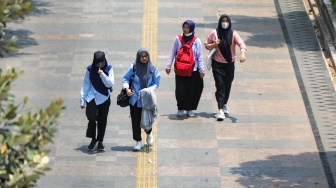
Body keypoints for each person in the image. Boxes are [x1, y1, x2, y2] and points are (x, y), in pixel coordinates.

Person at [205, 14, 247, 121]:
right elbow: (206, 45)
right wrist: (214, 44)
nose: (224, 23)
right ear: (219, 22)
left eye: (226, 21)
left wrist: (242, 54)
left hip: (229, 64)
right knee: (220, 86)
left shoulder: (233, 34)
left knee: (227, 86)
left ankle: (224, 104)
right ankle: (220, 110)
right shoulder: (214, 33)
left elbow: (242, 44)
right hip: (217, 64)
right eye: (223, 21)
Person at [122, 48, 161, 151]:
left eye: (146, 56)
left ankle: (149, 133)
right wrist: (127, 89)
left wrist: (148, 90)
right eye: (142, 56)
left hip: (147, 99)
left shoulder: (153, 69)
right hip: (135, 100)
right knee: (135, 121)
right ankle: (138, 141)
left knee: (147, 119)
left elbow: (156, 83)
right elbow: (125, 78)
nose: (144, 58)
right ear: (138, 58)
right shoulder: (133, 67)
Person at [166, 20, 205, 117]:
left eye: (187, 27)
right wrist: (168, 66)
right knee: (180, 89)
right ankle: (180, 108)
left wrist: (201, 70)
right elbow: (172, 52)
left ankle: (189, 108)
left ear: (192, 28)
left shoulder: (197, 41)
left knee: (192, 89)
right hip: (180, 69)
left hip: (193, 70)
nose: (185, 29)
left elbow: (199, 56)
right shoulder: (178, 39)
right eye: (184, 27)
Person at [80, 51, 114, 151]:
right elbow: (85, 84)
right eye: (97, 63)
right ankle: (93, 139)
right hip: (92, 97)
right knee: (91, 118)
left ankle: (100, 141)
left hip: (104, 97)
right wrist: (82, 100)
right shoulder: (90, 69)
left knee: (102, 120)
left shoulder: (109, 69)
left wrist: (102, 74)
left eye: (101, 63)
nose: (99, 66)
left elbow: (110, 84)